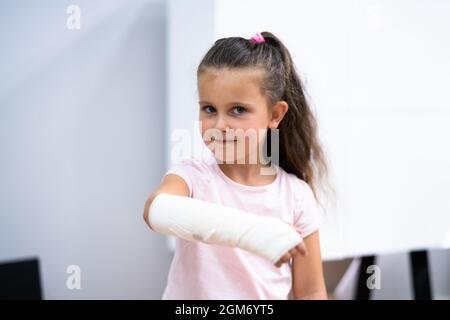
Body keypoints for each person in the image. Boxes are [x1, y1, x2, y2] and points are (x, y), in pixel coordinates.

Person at [144, 32, 329, 300]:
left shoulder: (296, 196)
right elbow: (155, 210)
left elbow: (311, 291)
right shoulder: (192, 177)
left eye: (238, 110)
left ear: (275, 115)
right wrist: (252, 233)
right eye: (209, 109)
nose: (219, 125)